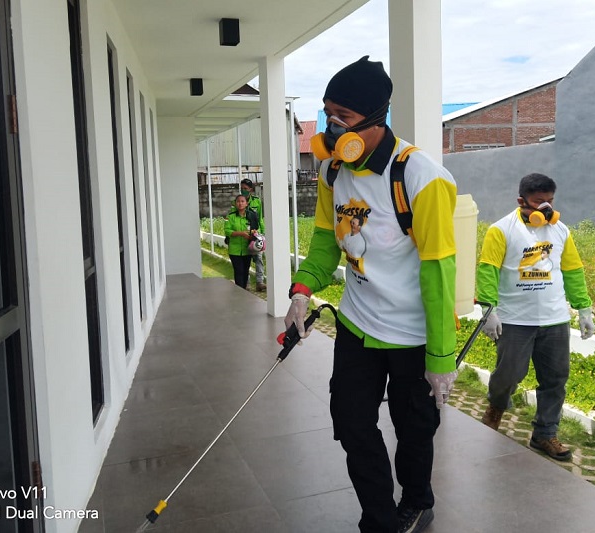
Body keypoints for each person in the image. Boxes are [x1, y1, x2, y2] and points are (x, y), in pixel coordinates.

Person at [284, 56, 458, 533]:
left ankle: (417, 501)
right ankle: (378, 521)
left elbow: (439, 271)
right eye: (328, 114)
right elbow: (325, 244)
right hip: (357, 325)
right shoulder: (332, 172)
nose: (332, 127)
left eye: (343, 116)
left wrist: (441, 357)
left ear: (376, 118)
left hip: (413, 334)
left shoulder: (421, 177)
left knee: (414, 429)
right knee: (351, 423)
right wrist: (302, 290)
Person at [476, 172, 595, 462]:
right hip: (515, 319)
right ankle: (496, 408)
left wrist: (583, 308)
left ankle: (545, 433)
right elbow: (488, 270)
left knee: (555, 379)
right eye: (539, 202)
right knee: (508, 375)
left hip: (554, 319)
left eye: (550, 201)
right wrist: (489, 310)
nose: (546, 208)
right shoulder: (501, 230)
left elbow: (573, 270)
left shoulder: (560, 230)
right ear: (521, 201)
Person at [224, 194, 259, 289]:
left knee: (245, 271)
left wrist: (254, 232)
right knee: (238, 271)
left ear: (246, 203)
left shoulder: (251, 216)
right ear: (235, 204)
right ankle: (239, 291)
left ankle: (243, 291)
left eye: (242, 201)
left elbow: (256, 228)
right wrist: (241, 233)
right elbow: (227, 231)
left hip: (247, 249)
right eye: (238, 201)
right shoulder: (230, 216)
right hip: (234, 250)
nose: (240, 203)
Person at [239, 178, 266, 291]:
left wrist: (262, 233)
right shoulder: (238, 201)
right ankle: (247, 283)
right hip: (243, 234)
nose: (243, 190)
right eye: (242, 188)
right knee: (246, 259)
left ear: (250, 189)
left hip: (255, 234)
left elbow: (260, 218)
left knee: (258, 258)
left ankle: (260, 282)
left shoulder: (257, 201)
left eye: (245, 188)